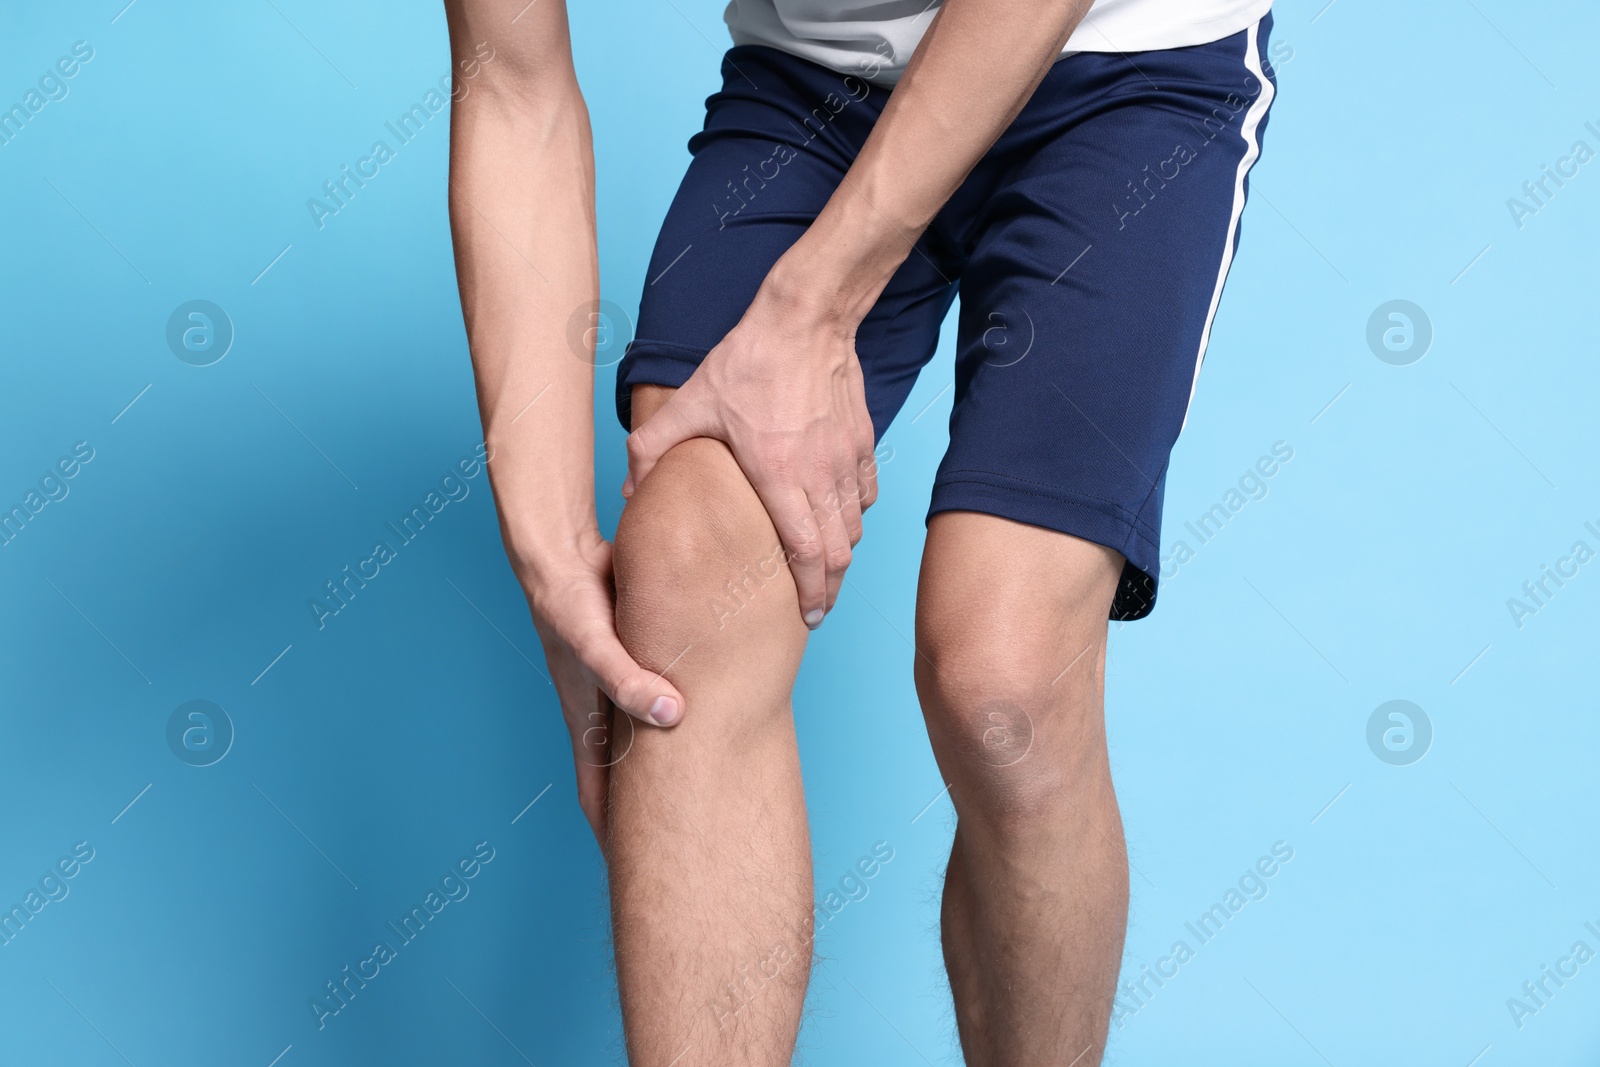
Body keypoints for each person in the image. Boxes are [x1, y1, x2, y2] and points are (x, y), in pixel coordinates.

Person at [443, 0, 1277, 1061]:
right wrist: (551, 546)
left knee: (1001, 683)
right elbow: (512, 87)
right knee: (679, 589)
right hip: (817, 86)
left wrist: (810, 310)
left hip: (1118, 71)